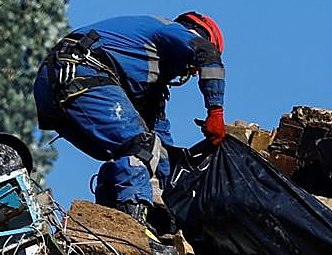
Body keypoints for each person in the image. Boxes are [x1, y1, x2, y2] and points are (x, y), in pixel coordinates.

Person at [33, 12, 227, 224]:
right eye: (192, 67)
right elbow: (207, 52)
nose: (190, 70)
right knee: (139, 146)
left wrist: (173, 191)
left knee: (132, 151)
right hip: (80, 70)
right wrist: (215, 112)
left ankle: (108, 225)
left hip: (58, 87)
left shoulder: (150, 78)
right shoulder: (171, 30)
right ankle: (132, 231)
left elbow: (160, 142)